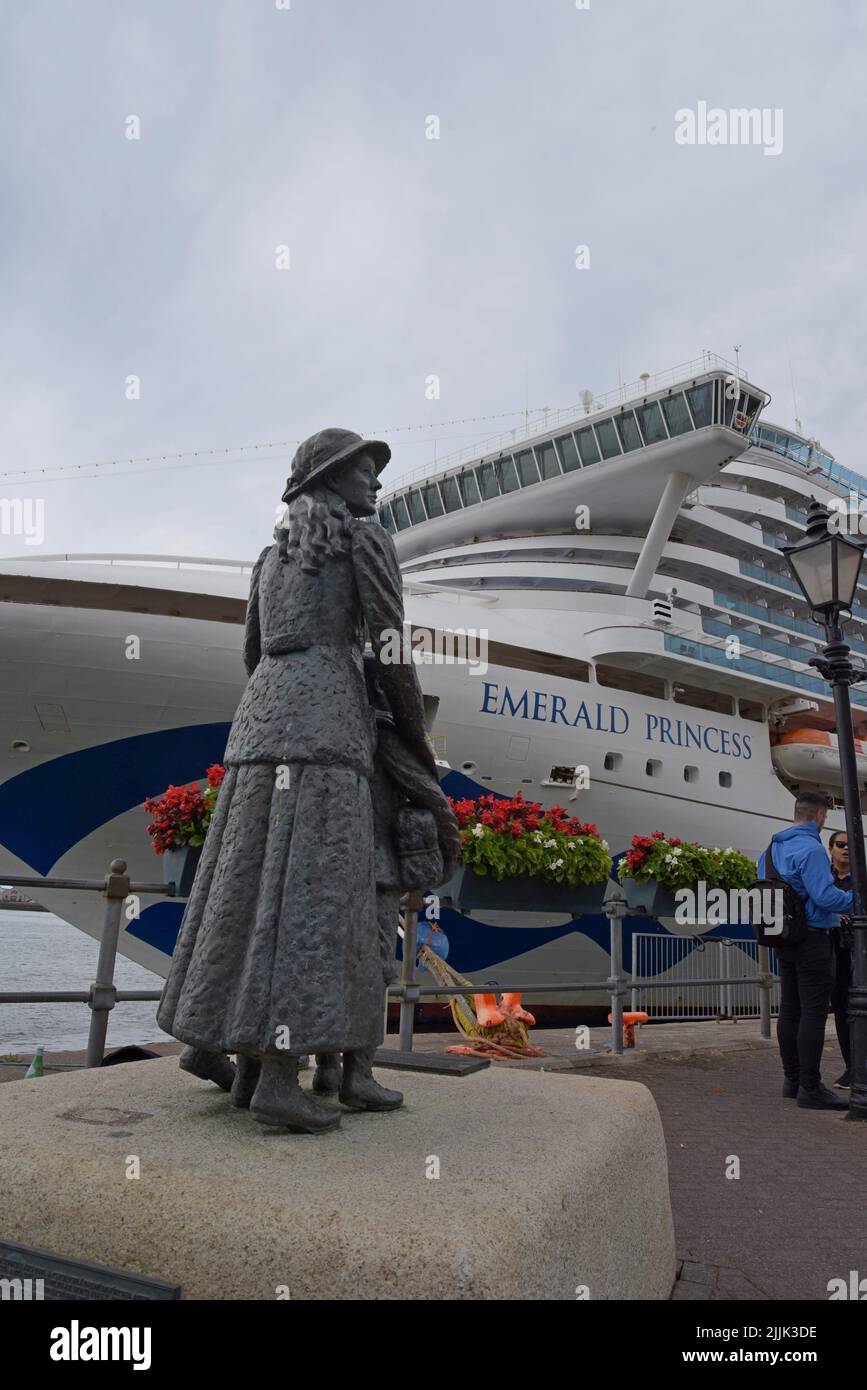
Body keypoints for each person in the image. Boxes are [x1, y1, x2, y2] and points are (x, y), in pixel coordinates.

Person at [158, 428, 438, 1134]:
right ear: (331, 479)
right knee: (315, 894)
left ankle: (228, 1046)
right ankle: (278, 1078)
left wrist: (279, 702)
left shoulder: (268, 558)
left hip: (260, 725)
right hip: (327, 730)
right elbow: (389, 648)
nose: (374, 483)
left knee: (244, 883)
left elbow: (254, 650)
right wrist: (413, 737)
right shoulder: (364, 542)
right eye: (363, 472)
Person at [759, 791, 854, 1110]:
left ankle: (793, 1080)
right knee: (813, 1012)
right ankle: (811, 1088)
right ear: (820, 817)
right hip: (812, 937)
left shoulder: (770, 849)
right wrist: (857, 900)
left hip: (782, 937)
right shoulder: (811, 848)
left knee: (790, 1008)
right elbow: (826, 897)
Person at [828, 829, 853, 1089]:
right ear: (831, 848)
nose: (845, 848)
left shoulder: (863, 879)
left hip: (859, 953)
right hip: (833, 953)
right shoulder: (823, 878)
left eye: (849, 844)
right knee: (842, 1013)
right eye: (840, 844)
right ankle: (851, 1068)